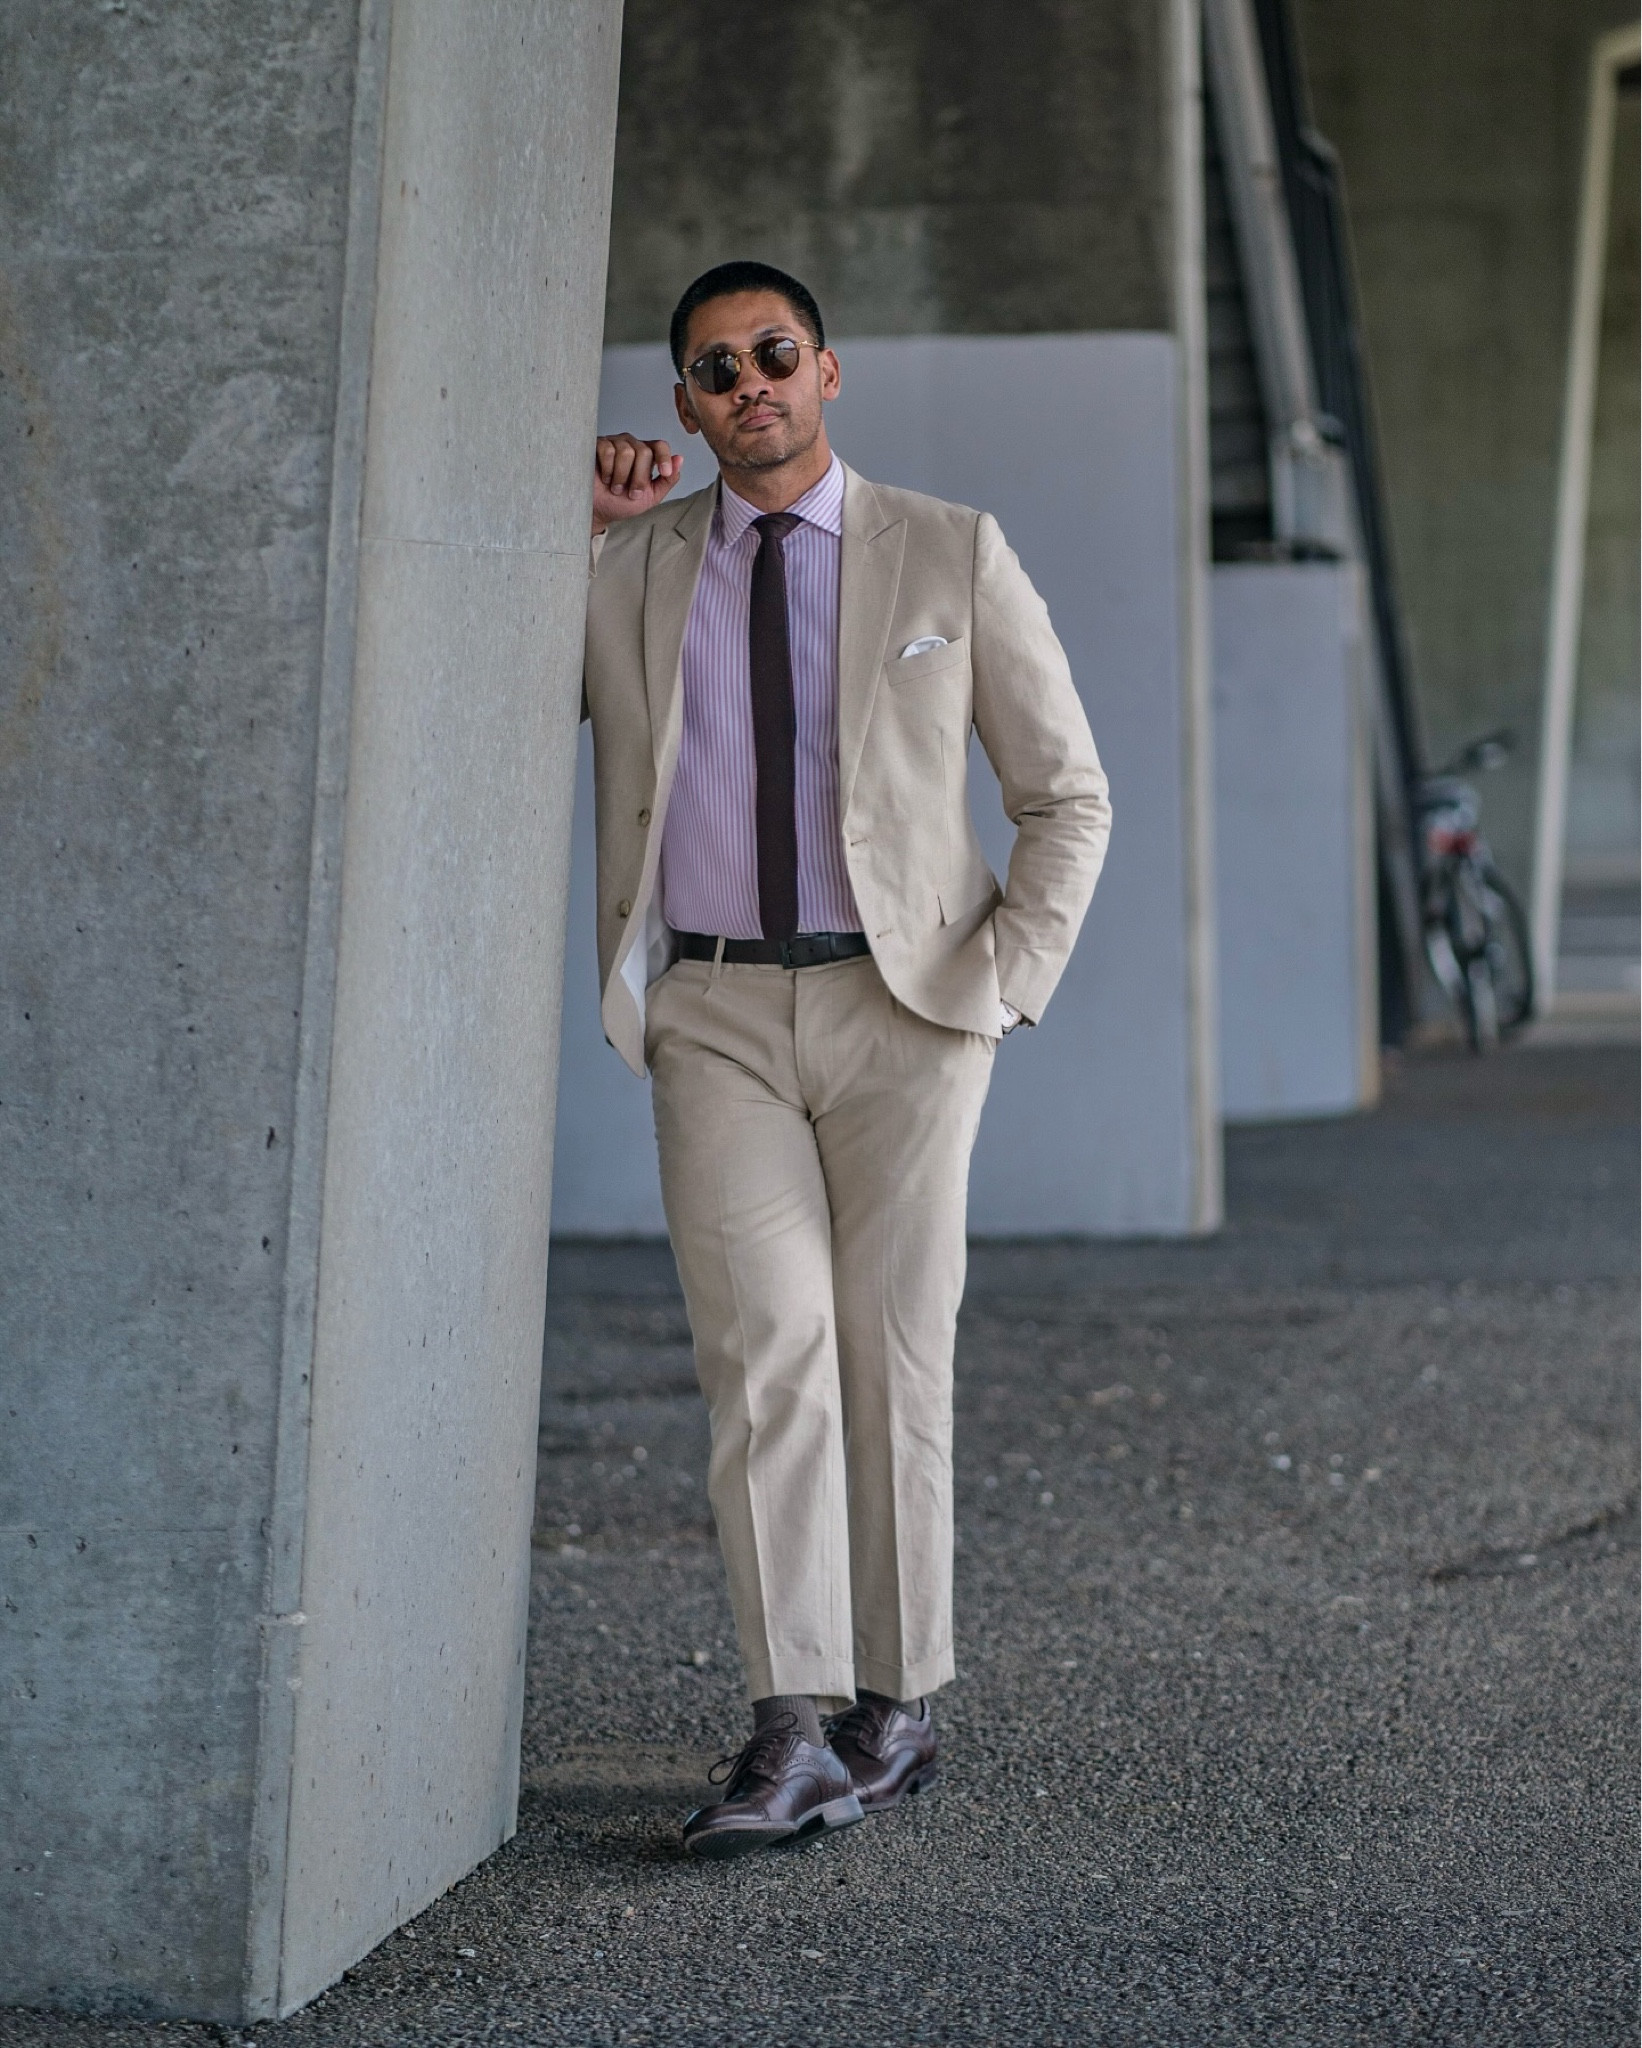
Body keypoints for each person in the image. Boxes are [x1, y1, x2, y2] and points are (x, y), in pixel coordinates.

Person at [583, 260, 1111, 1858]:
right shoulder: (631, 566)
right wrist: (575, 528)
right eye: (712, 368)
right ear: (682, 405)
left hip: (905, 1012)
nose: (747, 383)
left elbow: (1063, 795)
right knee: (766, 1358)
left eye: (772, 354)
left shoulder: (946, 550)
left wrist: (997, 988)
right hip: (715, 1014)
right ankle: (788, 1725)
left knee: (893, 1354)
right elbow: (489, 685)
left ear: (827, 372)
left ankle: (898, 1706)